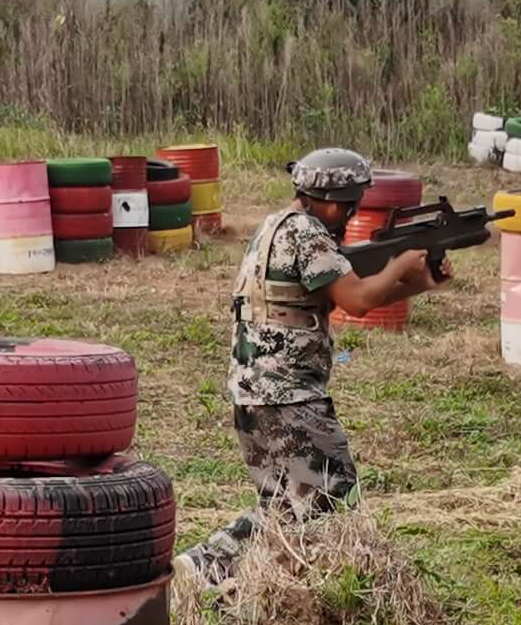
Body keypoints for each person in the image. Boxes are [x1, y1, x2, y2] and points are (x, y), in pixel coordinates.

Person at [174, 148, 446, 590]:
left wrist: (422, 281)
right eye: (352, 203)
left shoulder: (274, 227)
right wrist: (400, 265)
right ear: (339, 202)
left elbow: (346, 295)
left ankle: (201, 571)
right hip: (291, 397)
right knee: (334, 496)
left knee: (281, 508)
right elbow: (358, 300)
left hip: (254, 395)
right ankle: (315, 594)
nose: (352, 213)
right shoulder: (308, 234)